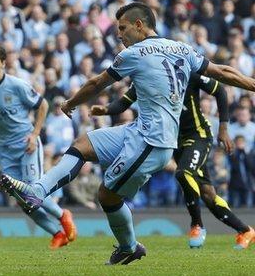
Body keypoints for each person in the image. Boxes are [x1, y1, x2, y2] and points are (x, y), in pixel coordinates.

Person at [1, 2, 255, 264]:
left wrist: (70, 104)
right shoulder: (183, 49)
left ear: (139, 25)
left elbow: (96, 83)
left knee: (107, 195)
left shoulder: (134, 54)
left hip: (153, 142)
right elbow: (223, 72)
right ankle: (37, 191)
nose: (119, 35)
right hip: (139, 130)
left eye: (122, 29)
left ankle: (129, 247)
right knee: (83, 144)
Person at [95, 74, 255, 249]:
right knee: (207, 193)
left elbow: (220, 90)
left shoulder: (187, 72)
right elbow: (124, 102)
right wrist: (106, 110)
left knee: (183, 174)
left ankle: (197, 225)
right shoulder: (146, 77)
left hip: (198, 136)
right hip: (176, 143)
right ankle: (245, 230)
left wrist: (223, 128)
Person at [0, 44, 76, 249]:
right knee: (22, 200)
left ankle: (63, 215)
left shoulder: (17, 85)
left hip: (26, 142)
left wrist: (35, 134)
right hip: (5, 149)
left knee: (31, 190)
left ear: (3, 64)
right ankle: (57, 234)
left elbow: (43, 105)